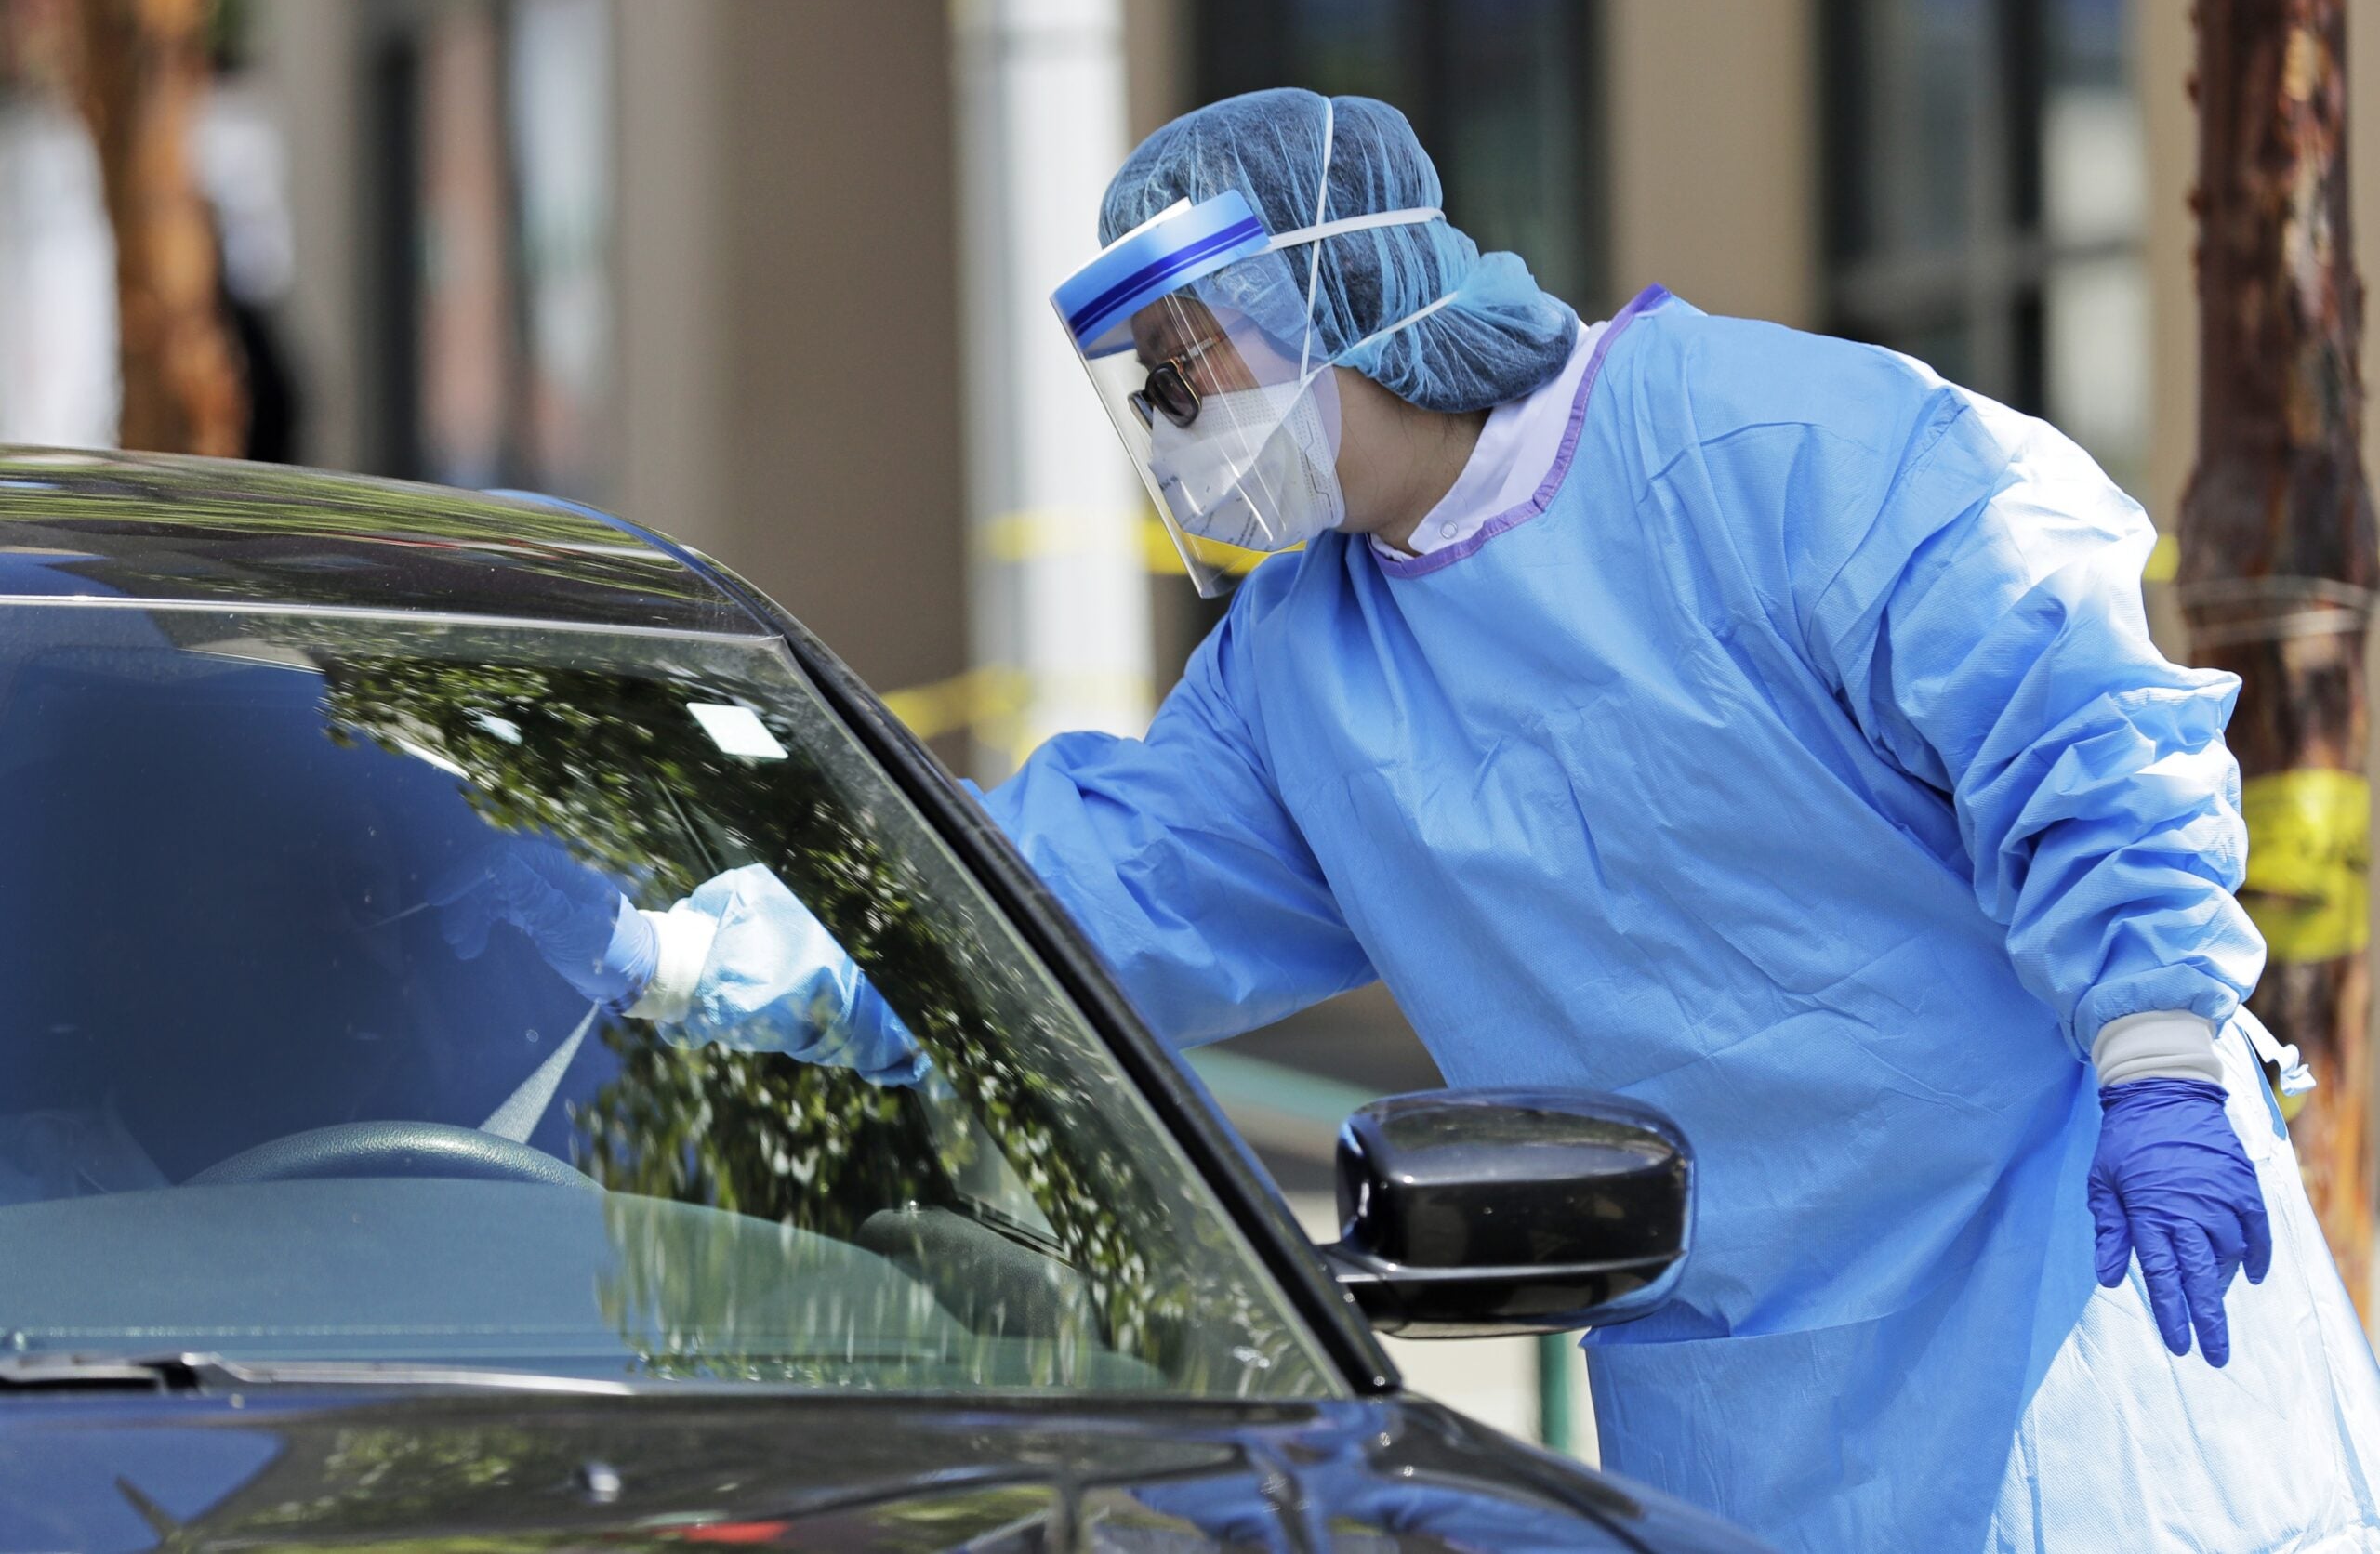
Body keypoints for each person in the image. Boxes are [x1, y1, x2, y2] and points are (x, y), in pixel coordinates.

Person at [442, 89, 2380, 1552]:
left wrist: (2148, 1052)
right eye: (1147, 390)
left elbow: (2070, 707)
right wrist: (680, 938)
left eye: (1193, 365)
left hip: (2093, 1308)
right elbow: (1053, 902)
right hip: (1740, 1416)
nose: (1176, 427)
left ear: (1338, 284)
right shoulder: (1303, 678)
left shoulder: (1774, 450)